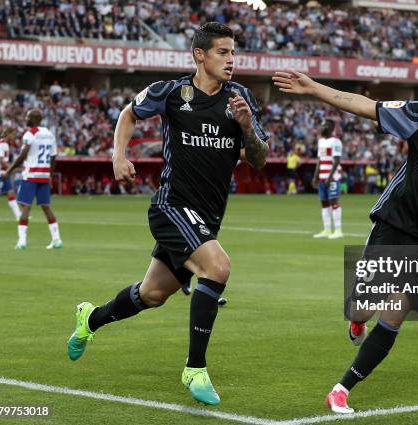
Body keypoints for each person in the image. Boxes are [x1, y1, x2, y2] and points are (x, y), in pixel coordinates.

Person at [273, 53, 418, 413]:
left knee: (396, 313)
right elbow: (366, 105)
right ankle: (356, 323)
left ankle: (342, 389)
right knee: (360, 310)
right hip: (394, 225)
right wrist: (313, 88)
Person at [66, 22, 269, 406]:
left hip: (207, 217)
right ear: (200, 55)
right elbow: (128, 113)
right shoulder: (173, 92)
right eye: (222, 52)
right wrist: (118, 154)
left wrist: (246, 127)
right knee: (218, 267)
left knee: (152, 294)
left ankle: (90, 319)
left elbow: (259, 159)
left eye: (233, 53)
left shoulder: (240, 98)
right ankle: (195, 368)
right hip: (171, 207)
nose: (231, 60)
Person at [4, 110, 63, 250]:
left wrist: (10, 169)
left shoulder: (30, 134)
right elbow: (54, 156)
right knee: (46, 207)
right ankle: (57, 239)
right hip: (43, 175)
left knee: (25, 206)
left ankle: (22, 242)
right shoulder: (49, 134)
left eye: (27, 116)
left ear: (34, 119)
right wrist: (50, 174)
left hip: (31, 175)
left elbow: (23, 154)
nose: (25, 118)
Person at [312, 119, 343, 239]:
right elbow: (319, 160)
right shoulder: (320, 141)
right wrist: (316, 176)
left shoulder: (336, 142)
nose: (322, 127)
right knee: (324, 203)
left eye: (324, 125)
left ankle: (338, 230)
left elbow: (337, 161)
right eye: (322, 125)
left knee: (334, 202)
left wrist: (330, 177)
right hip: (322, 177)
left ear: (331, 127)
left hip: (332, 178)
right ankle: (327, 230)